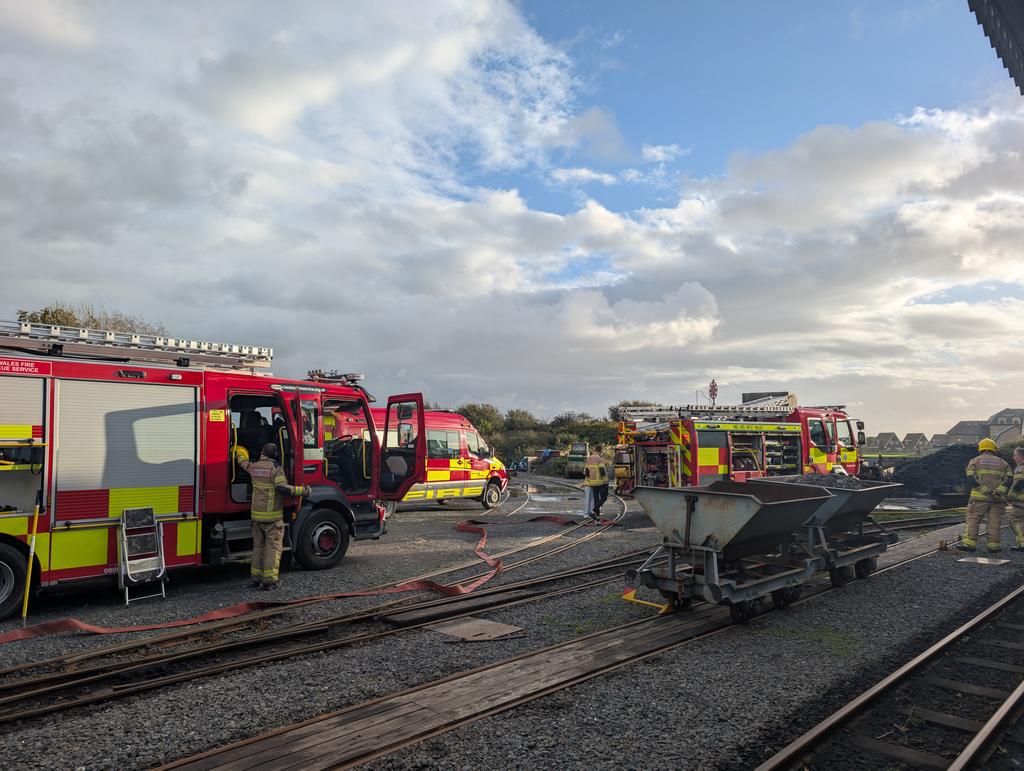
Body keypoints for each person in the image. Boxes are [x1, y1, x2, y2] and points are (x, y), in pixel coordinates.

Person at [236, 442, 310, 589]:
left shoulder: (254, 466)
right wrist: (303, 491)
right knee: (272, 549)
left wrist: (238, 453)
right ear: (275, 455)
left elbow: (243, 463)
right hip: (272, 519)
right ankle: (269, 581)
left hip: (256, 518)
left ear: (262, 453)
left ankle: (256, 578)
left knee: (258, 548)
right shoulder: (276, 469)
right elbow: (282, 489)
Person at [958, 438, 1011, 553]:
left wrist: (985, 490)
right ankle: (993, 547)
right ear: (994, 449)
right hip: (997, 499)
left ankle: (969, 545)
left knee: (973, 520)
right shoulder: (1003, 463)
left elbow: (970, 478)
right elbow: (1009, 479)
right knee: (994, 523)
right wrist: (999, 491)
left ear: (981, 449)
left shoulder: (975, 461)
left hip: (978, 499)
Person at [1006, 446, 1024, 552]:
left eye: (1015, 455)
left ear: (1021, 456)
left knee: (1016, 521)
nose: (1013, 457)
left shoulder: (1020, 468)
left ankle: (1022, 545)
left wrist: (1010, 496)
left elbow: (1020, 483)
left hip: (1020, 502)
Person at [585, 444, 609, 521]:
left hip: (592, 482)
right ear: (600, 451)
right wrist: (605, 480)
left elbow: (586, 471)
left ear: (595, 450)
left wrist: (590, 479)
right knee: (604, 498)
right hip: (601, 482)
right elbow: (602, 470)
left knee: (596, 499)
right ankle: (593, 511)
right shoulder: (599, 458)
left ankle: (596, 514)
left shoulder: (589, 458)